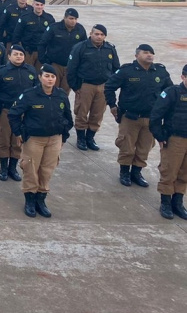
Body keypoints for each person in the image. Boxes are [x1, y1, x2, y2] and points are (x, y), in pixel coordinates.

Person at [9, 64, 73, 218]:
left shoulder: (61, 95)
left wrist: (63, 135)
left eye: (52, 77)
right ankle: (30, 200)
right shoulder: (30, 95)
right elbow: (13, 114)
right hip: (34, 139)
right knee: (30, 168)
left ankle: (41, 199)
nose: (50, 79)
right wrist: (19, 133)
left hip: (54, 139)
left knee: (47, 169)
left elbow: (67, 117)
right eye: (46, 76)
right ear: (40, 77)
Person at [104, 44, 172, 187]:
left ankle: (136, 172)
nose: (149, 55)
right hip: (130, 117)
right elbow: (109, 87)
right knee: (126, 146)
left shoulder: (160, 72)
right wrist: (112, 105)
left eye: (151, 53)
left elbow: (169, 93)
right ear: (137, 55)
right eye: (146, 52)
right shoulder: (127, 71)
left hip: (151, 119)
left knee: (144, 147)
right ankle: (124, 172)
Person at [0, 45, 38, 181]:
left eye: (21, 54)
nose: (19, 56)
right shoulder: (1, 72)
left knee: (17, 141)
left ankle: (12, 168)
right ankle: (3, 168)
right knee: (4, 140)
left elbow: (36, 92)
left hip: (24, 113)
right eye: (15, 54)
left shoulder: (30, 71)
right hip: (6, 111)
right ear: (9, 56)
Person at [67, 24, 119, 151]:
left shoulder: (110, 49)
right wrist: (75, 86)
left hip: (103, 87)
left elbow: (116, 68)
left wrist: (111, 86)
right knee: (81, 112)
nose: (99, 37)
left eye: (102, 35)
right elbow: (71, 68)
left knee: (97, 114)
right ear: (91, 33)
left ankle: (90, 138)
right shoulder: (80, 47)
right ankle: (81, 138)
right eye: (96, 34)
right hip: (85, 86)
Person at [150, 64, 187, 220]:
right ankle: (165, 202)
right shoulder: (172, 93)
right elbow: (156, 116)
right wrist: (161, 136)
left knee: (184, 173)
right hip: (175, 139)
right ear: (183, 77)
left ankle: (177, 203)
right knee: (169, 171)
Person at [37, 8, 87, 93]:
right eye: (71, 18)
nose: (73, 21)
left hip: (70, 66)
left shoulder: (80, 29)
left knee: (64, 91)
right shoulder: (54, 28)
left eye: (75, 19)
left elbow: (84, 47)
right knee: (51, 89)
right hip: (55, 65)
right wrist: (44, 60)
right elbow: (42, 44)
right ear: (65, 18)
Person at [11, 0, 54, 67]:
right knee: (27, 73)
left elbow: (52, 37)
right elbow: (17, 35)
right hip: (28, 51)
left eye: (41, 5)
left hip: (42, 52)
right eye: (37, 4)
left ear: (44, 6)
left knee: (40, 74)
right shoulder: (25, 17)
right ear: (33, 4)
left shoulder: (49, 19)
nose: (39, 7)